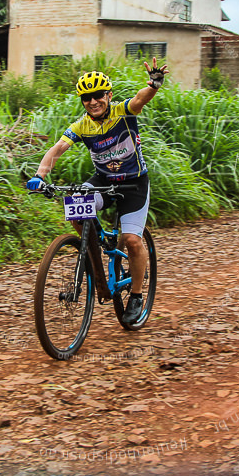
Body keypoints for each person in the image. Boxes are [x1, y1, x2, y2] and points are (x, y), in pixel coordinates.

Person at [27, 59, 168, 325]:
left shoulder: (122, 112)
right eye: (87, 98)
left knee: (133, 240)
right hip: (104, 180)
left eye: (98, 96)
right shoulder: (82, 125)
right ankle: (97, 246)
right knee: (76, 208)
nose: (93, 102)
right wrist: (39, 176)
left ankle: (136, 295)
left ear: (109, 95)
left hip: (133, 183)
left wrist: (153, 85)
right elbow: (57, 148)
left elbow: (139, 100)